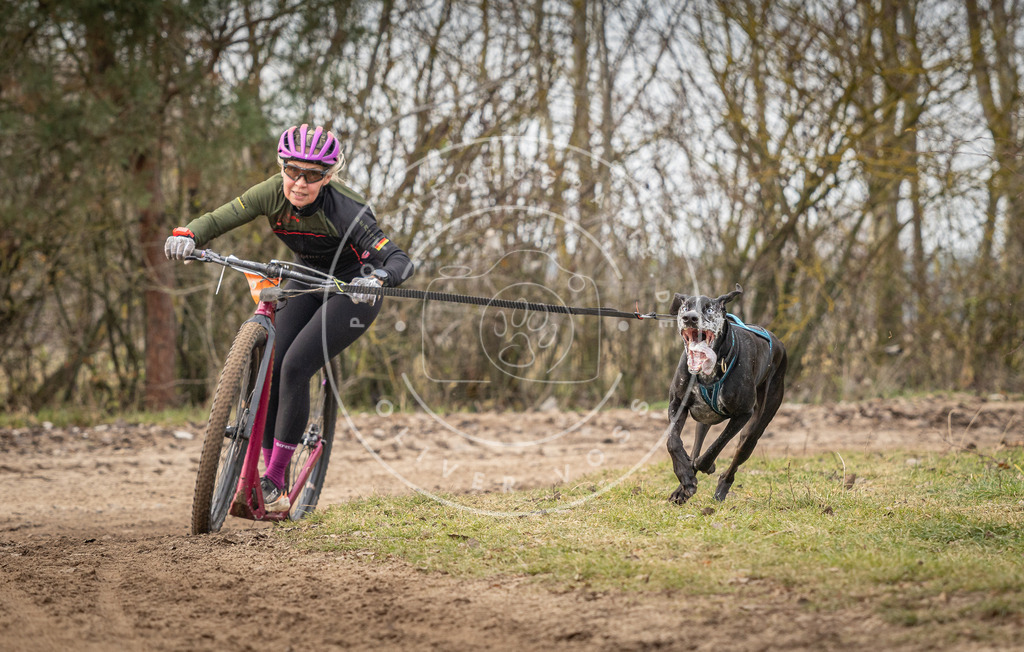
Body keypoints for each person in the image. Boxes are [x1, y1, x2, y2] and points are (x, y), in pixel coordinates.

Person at [165, 123, 414, 512]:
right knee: (273, 364)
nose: (300, 182)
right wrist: (189, 235)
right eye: (292, 171)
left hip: (353, 291)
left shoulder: (347, 209)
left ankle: (276, 480)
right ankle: (264, 477)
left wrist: (380, 277)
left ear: (328, 177)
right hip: (306, 279)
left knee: (296, 366)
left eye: (313, 175)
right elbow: (220, 217)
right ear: (282, 167)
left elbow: (398, 258)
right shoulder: (269, 193)